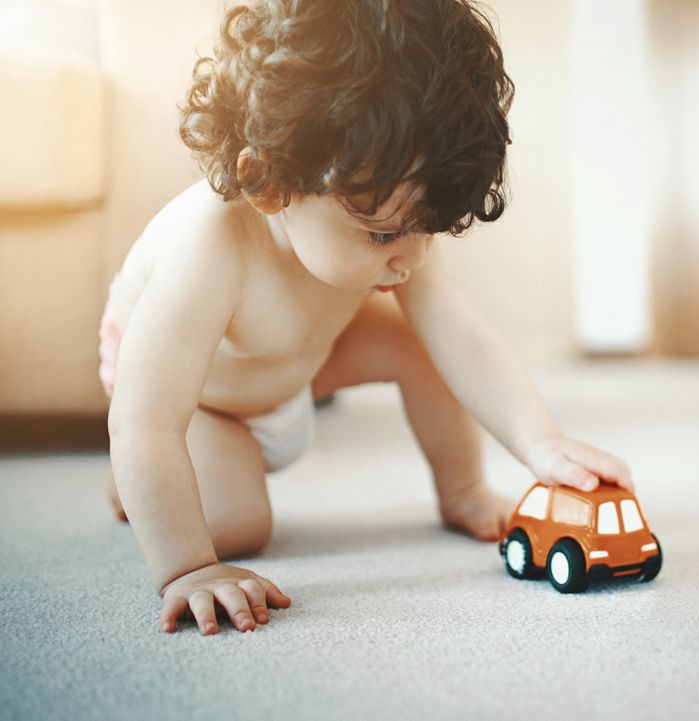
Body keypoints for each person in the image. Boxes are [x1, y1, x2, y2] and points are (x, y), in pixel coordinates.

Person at [100, 0, 632, 636]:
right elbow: (146, 419)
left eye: (429, 230)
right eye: (382, 235)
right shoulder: (208, 247)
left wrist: (540, 441)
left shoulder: (395, 233)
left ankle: (461, 490)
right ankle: (127, 487)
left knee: (418, 344)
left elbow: (462, 338)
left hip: (297, 365)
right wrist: (186, 567)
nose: (410, 258)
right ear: (268, 183)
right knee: (238, 525)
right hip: (205, 404)